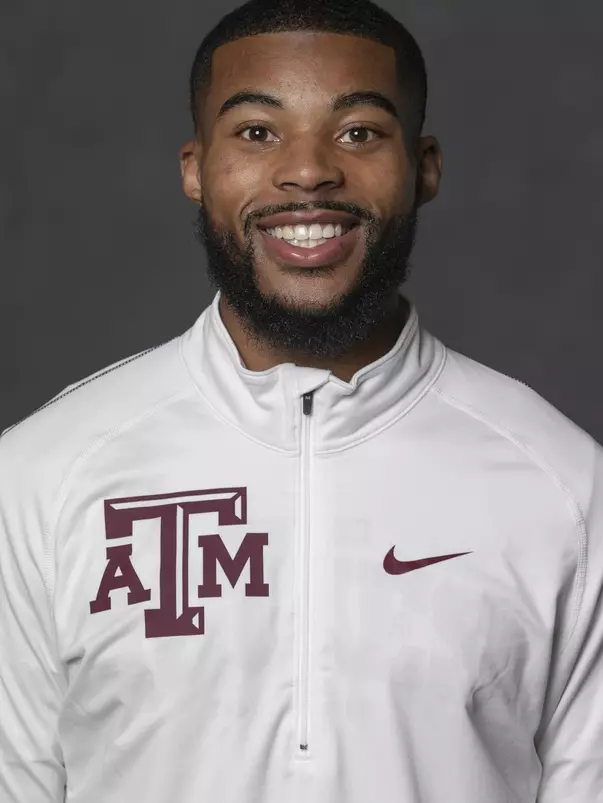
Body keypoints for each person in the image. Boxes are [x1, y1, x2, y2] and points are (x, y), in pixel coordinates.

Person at [1, 0, 601, 800]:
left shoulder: (562, 482)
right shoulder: (43, 472)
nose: (309, 170)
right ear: (194, 167)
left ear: (423, 167)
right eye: (256, 131)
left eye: (358, 132)